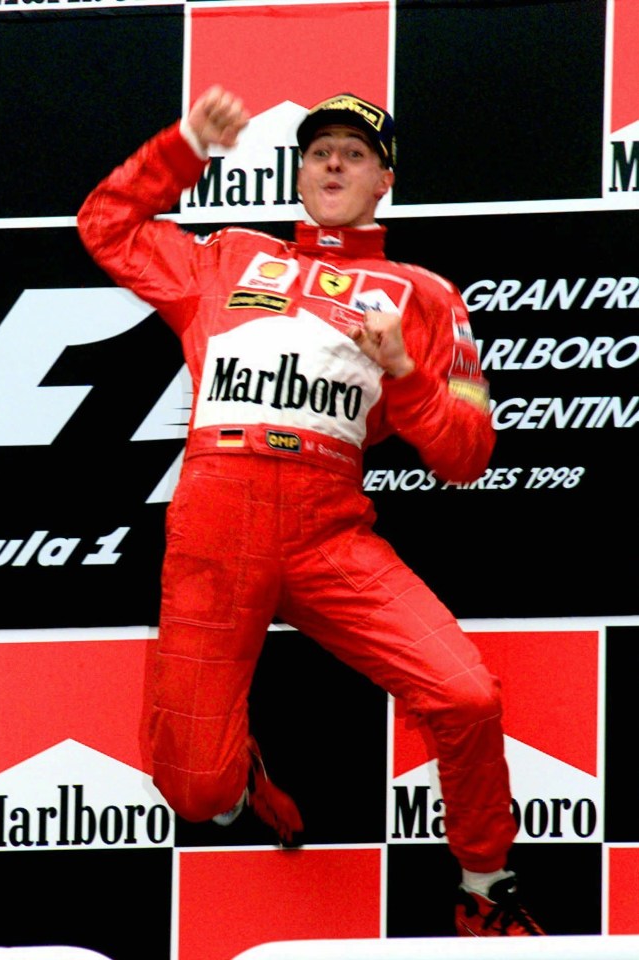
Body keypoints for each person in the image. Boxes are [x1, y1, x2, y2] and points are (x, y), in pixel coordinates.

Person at [78, 86, 545, 937]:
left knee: (468, 697)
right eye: (318, 149)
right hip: (215, 529)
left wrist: (404, 373)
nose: (332, 161)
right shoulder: (223, 257)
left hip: (328, 533)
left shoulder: (428, 295)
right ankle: (235, 770)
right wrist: (182, 147)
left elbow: (467, 456)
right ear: (299, 170)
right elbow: (105, 225)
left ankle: (485, 882)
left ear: (384, 181)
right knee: (196, 794)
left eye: (354, 153)